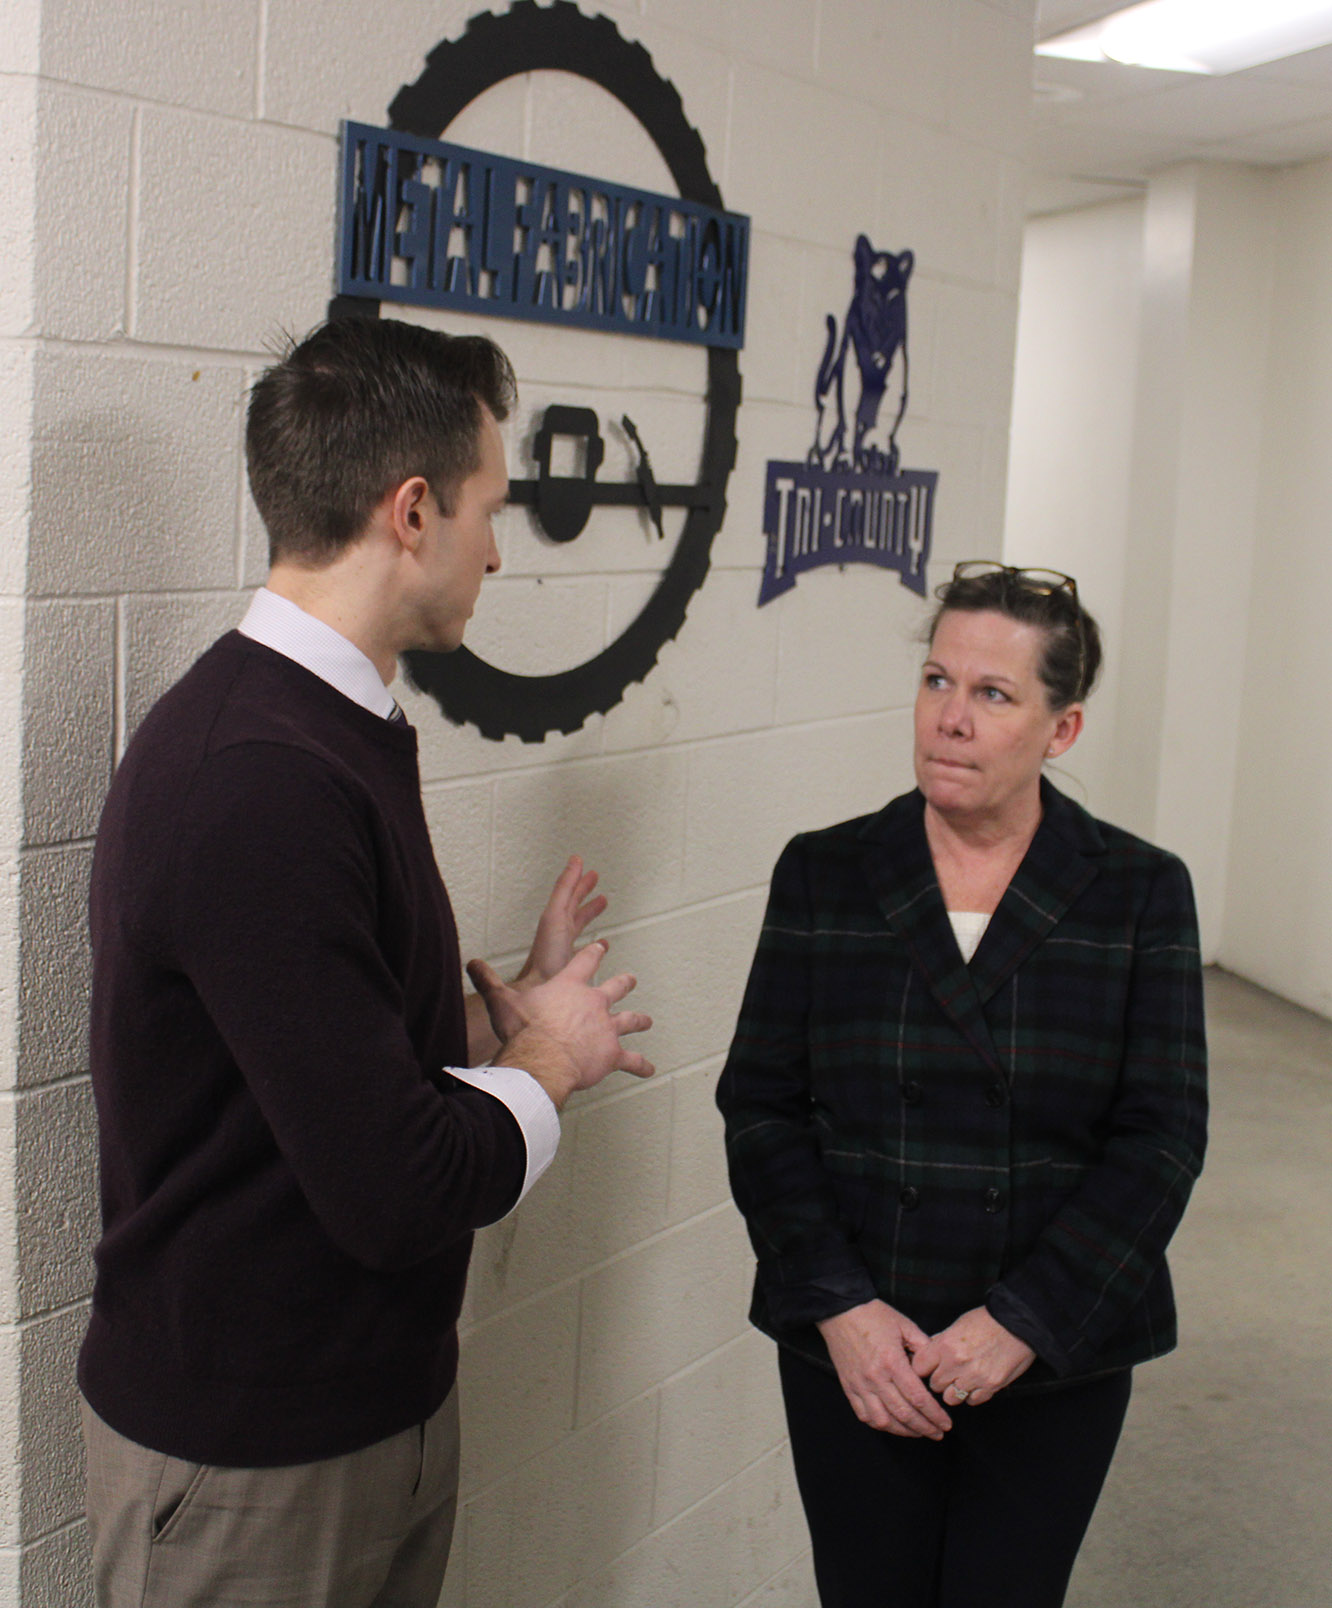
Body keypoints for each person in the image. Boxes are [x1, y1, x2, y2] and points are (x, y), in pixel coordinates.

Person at [78, 315, 653, 1608]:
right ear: (412, 511)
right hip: (250, 1466)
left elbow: (302, 1065)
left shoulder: (326, 731)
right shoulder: (261, 779)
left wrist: (479, 1030)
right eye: (487, 511)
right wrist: (551, 1061)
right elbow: (396, 1187)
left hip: (360, 1413)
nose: (498, 550)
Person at [716, 561, 1208, 1608]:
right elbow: (760, 1104)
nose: (951, 717)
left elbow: (1160, 1136)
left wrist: (1025, 1319)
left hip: (1053, 1351)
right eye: (938, 681)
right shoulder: (827, 872)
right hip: (860, 1348)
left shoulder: (1137, 891)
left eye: (993, 695)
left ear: (1061, 729)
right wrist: (842, 1308)